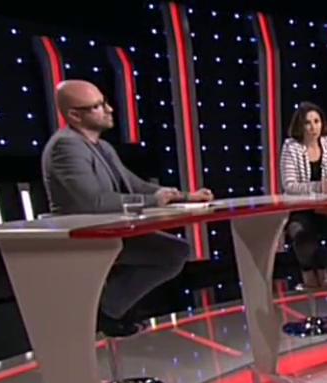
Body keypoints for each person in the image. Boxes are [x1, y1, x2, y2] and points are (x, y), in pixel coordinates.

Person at [41, 79, 213, 337]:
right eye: (98, 106)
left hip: (110, 232)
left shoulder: (102, 147)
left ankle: (109, 307)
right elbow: (94, 202)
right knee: (170, 252)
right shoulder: (66, 147)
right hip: (84, 237)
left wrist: (187, 196)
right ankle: (104, 311)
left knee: (176, 250)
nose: (109, 109)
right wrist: (153, 201)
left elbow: (136, 185)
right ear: (75, 115)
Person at [281, 102, 327, 288]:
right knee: (304, 237)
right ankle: (307, 271)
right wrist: (321, 186)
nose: (313, 127)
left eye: (316, 121)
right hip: (300, 208)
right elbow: (290, 186)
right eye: (308, 123)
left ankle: (321, 266)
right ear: (300, 125)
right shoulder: (291, 147)